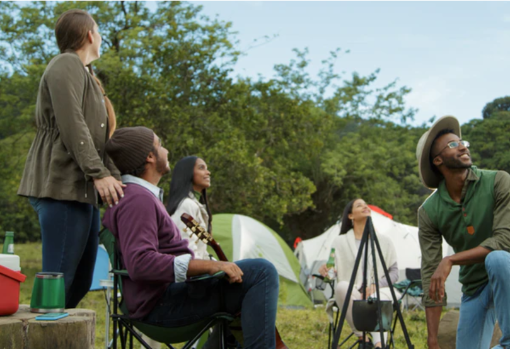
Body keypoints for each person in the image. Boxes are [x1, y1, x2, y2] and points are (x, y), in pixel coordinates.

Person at [102, 126, 280, 349]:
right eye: (160, 145)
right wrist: (206, 266)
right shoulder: (138, 200)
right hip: (160, 305)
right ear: (149, 156)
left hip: (163, 297)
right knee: (262, 272)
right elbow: (140, 263)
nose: (166, 150)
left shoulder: (138, 197)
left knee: (245, 281)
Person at [17, 9, 124, 308]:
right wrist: (98, 173)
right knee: (58, 282)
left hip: (83, 191)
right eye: (99, 31)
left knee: (78, 282)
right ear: (90, 34)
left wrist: (118, 179)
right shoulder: (66, 64)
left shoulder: (88, 76)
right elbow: (72, 124)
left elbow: (99, 142)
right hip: (61, 186)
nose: (101, 37)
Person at [416, 115, 510, 349]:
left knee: (497, 259)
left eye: (462, 142)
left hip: (507, 272)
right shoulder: (429, 211)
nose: (462, 146)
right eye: (452, 144)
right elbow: (430, 273)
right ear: (438, 160)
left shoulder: (498, 181)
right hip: (475, 288)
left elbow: (504, 241)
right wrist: (433, 339)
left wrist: (451, 260)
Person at [319, 198, 399, 349]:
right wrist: (326, 270)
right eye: (359, 205)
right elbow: (331, 272)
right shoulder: (340, 242)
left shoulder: (384, 241)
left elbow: (394, 273)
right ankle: (363, 339)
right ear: (350, 216)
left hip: (380, 291)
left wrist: (376, 285)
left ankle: (379, 345)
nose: (365, 207)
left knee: (375, 297)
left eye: (366, 205)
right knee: (342, 287)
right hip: (354, 293)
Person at [167, 156, 212, 260]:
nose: (208, 172)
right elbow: (187, 250)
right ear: (187, 173)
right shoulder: (186, 205)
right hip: (194, 272)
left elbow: (201, 250)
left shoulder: (194, 205)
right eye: (201, 168)